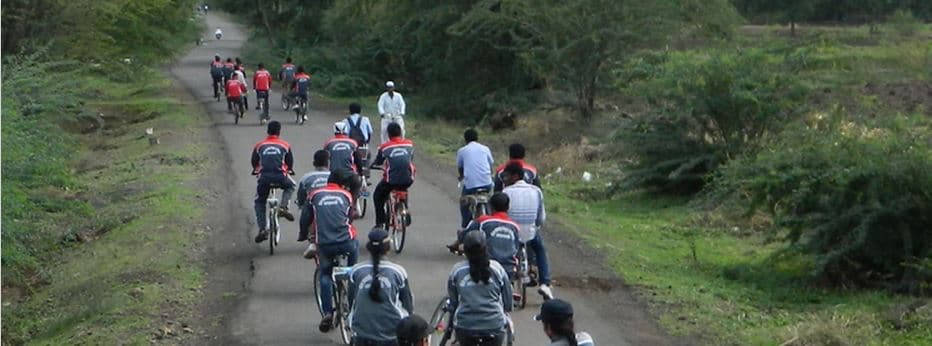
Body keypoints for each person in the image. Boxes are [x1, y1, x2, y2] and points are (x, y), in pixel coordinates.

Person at [306, 169, 360, 333]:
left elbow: (305, 218)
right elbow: (349, 217)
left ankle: (328, 313)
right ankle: (352, 274)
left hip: (325, 244)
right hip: (346, 242)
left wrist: (304, 234)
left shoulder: (314, 195)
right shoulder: (346, 195)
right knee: (353, 266)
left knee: (325, 274)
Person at [347, 228, 414, 345]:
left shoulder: (356, 271)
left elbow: (352, 301)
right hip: (391, 335)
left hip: (362, 334)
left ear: (369, 248)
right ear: (388, 249)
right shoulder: (398, 272)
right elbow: (408, 305)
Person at [447, 231, 512, 346]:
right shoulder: (497, 269)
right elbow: (507, 302)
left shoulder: (457, 271)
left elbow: (454, 303)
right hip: (494, 326)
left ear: (465, 250)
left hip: (465, 327)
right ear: (486, 248)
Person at [501, 162, 553, 300]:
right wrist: (534, 226)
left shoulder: (506, 192)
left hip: (512, 233)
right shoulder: (536, 191)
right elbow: (541, 218)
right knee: (540, 250)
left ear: (515, 176)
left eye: (507, 176)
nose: (505, 179)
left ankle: (509, 282)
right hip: (530, 232)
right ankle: (545, 284)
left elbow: (503, 216)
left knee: (506, 253)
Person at [448, 193, 521, 281]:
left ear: (491, 207)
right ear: (508, 207)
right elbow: (517, 248)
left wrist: (457, 243)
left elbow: (466, 235)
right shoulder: (515, 226)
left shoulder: (483, 221)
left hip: (488, 267)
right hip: (509, 269)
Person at [251, 121, 297, 243]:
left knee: (259, 201)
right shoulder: (285, 145)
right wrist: (289, 170)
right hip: (280, 177)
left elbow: (254, 162)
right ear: (279, 131)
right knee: (291, 186)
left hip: (264, 179)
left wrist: (256, 170)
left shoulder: (260, 145)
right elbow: (290, 163)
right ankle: (283, 207)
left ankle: (262, 229)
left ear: (268, 131)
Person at [371, 123, 415, 230]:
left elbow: (378, 161)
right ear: (400, 132)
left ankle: (380, 223)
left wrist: (371, 165)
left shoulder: (385, 147)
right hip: (409, 179)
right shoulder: (409, 144)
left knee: (378, 196)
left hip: (391, 181)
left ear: (388, 135)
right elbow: (409, 159)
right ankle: (404, 207)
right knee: (403, 186)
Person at [456, 128, 494, 229]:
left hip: (471, 186)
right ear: (477, 138)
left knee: (464, 204)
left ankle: (465, 227)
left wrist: (461, 176)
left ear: (465, 139)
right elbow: (490, 165)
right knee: (492, 200)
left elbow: (460, 167)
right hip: (487, 184)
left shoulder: (462, 151)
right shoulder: (485, 149)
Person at [297, 150, 331, 253]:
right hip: (331, 203)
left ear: (314, 163)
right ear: (328, 163)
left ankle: (303, 233)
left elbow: (301, 194)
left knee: (304, 212)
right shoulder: (333, 175)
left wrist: (301, 203)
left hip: (313, 205)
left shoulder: (306, 177)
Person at [343, 102, 374, 175]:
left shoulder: (345, 121)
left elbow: (344, 135)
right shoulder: (365, 119)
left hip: (351, 147)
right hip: (362, 145)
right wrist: (367, 142)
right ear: (360, 111)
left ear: (349, 111)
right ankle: (366, 175)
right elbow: (370, 132)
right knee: (367, 157)